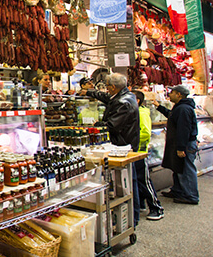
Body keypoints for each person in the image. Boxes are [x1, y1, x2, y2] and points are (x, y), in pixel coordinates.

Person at [79, 73, 141, 226]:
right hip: (125, 142)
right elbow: (108, 99)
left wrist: (97, 125)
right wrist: (88, 92)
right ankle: (130, 215)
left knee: (129, 182)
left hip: (122, 145)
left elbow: (112, 125)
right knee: (127, 180)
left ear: (113, 87)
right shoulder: (125, 96)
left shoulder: (122, 103)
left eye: (107, 87)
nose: (106, 90)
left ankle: (132, 217)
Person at [152, 85, 199, 205]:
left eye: (172, 92)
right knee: (178, 167)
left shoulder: (183, 109)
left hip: (186, 144)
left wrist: (181, 148)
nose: (170, 94)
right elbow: (172, 116)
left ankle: (191, 196)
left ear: (179, 94)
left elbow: (184, 129)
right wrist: (159, 107)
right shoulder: (180, 107)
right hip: (182, 143)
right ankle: (178, 191)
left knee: (186, 169)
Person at [133, 90, 164, 220]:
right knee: (138, 181)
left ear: (137, 101)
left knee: (145, 181)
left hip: (140, 152)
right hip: (133, 152)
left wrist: (130, 139)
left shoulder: (142, 113)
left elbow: (145, 133)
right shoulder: (135, 112)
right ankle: (141, 204)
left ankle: (157, 208)